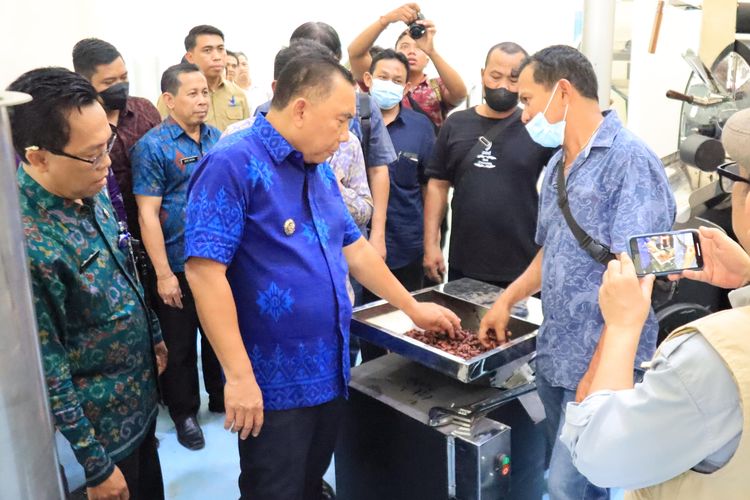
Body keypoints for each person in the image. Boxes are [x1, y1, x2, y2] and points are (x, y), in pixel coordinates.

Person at [183, 51, 460, 500]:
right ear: (300, 108)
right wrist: (237, 376)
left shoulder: (317, 169)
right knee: (274, 488)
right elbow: (204, 273)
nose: (347, 133)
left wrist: (412, 309)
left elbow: (355, 249)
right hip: (271, 382)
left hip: (329, 369)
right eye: (341, 119)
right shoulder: (231, 164)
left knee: (310, 481)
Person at [478, 45, 676, 500]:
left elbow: (638, 276)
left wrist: (597, 374)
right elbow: (552, 252)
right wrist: (506, 300)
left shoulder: (630, 161)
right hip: (556, 357)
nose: (523, 114)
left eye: (528, 99)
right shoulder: (555, 169)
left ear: (562, 92)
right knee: (577, 483)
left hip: (601, 364)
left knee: (567, 486)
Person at [556, 106, 750, 499]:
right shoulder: (557, 163)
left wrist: (622, 326)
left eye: (735, 183)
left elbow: (600, 455)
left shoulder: (715, 357)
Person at [8, 67, 167, 500]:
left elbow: (122, 262)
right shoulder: (28, 244)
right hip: (98, 438)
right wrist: (96, 467)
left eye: (107, 146)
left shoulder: (87, 187)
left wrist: (152, 333)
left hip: (137, 403)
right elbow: (49, 366)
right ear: (37, 156)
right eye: (93, 154)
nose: (107, 164)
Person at [131, 63, 224, 451]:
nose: (202, 100)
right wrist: (163, 274)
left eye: (205, 92)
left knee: (219, 334)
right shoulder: (152, 146)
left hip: (217, 260)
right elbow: (147, 214)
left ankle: (222, 398)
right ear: (169, 99)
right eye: (193, 93)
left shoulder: (218, 138)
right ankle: (185, 412)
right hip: (177, 263)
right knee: (180, 343)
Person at [423, 42, 553, 289]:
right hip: (466, 259)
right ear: (483, 73)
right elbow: (437, 186)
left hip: (523, 263)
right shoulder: (455, 124)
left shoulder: (536, 125)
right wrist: (431, 244)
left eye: (514, 79)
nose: (503, 85)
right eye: (495, 76)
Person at [289, 21, 396, 262]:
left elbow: (379, 171)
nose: (343, 134)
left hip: (346, 239)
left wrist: (377, 234)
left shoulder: (363, 107)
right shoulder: (267, 117)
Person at [361, 48, 434, 297]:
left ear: (406, 89)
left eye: (397, 81)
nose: (388, 85)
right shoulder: (349, 122)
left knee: (402, 323)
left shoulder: (421, 127)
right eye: (382, 78)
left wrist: (429, 244)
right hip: (354, 246)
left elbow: (429, 188)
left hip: (406, 247)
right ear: (369, 80)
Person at [72, 37, 162, 239]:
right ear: (85, 83)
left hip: (157, 225)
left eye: (124, 77)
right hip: (110, 229)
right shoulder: (79, 125)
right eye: (109, 82)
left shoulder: (145, 110)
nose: (120, 86)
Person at [348, 3, 468, 128]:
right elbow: (355, 53)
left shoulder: (436, 87)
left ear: (427, 60)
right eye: (404, 46)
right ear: (395, 52)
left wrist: (432, 51)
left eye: (419, 48)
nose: (411, 52)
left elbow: (460, 93)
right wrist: (386, 20)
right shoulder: (378, 80)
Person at [157, 25, 249, 132]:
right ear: (190, 57)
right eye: (207, 50)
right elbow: (162, 136)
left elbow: (246, 135)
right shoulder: (174, 97)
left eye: (220, 49)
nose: (217, 57)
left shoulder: (238, 94)